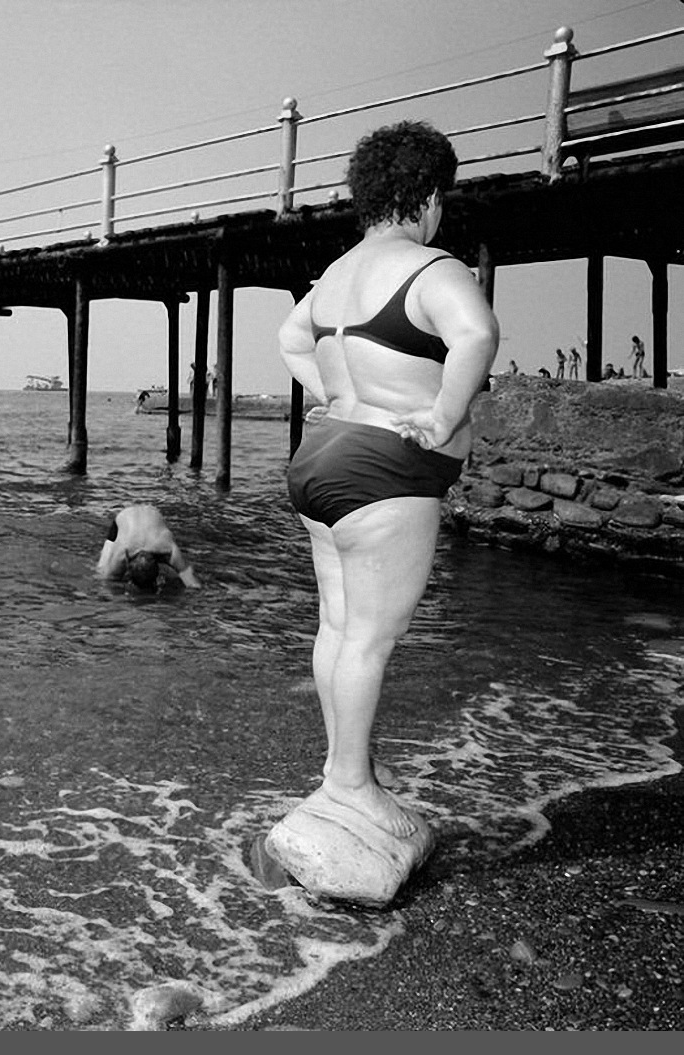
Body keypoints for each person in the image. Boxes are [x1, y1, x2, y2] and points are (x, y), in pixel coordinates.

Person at [277, 120, 499, 838]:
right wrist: (440, 416)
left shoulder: (336, 274)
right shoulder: (434, 267)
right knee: (371, 637)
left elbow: (289, 336)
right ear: (428, 196)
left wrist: (331, 394)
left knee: (339, 625)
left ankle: (338, 773)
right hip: (385, 468)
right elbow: (476, 334)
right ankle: (351, 786)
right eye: (445, 200)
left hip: (322, 456)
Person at [96, 504, 200, 590]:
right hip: (122, 520)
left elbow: (190, 579)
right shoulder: (122, 552)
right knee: (102, 569)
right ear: (127, 560)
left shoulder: (169, 549)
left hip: (151, 515)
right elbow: (105, 581)